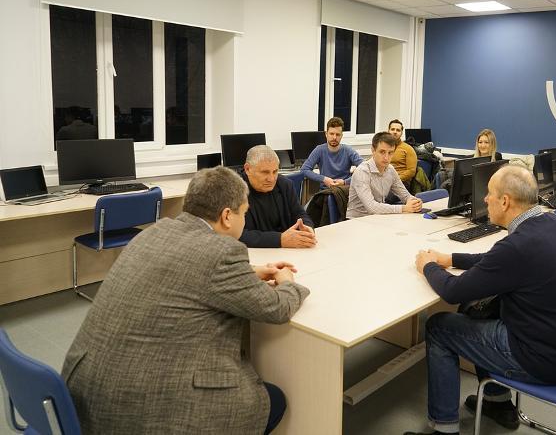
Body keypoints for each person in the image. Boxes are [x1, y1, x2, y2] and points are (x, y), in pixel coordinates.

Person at [61, 166, 310, 435]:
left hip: (82, 395)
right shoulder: (223, 251)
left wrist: (250, 271)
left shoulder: (154, 232)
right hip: (137, 412)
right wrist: (288, 283)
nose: (244, 218)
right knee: (271, 399)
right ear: (227, 216)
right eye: (244, 212)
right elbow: (275, 308)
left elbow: (186, 266)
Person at [405, 166, 556, 435]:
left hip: (545, 362)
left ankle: (444, 429)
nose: (484, 199)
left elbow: (453, 291)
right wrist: (451, 259)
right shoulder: (551, 223)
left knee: (439, 327)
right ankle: (498, 403)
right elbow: (495, 261)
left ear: (505, 201)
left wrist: (428, 266)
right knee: (479, 311)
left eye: (489, 194)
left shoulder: (518, 245)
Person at [239, 145, 316, 248]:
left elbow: (299, 213)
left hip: (287, 252)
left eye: (275, 171)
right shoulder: (233, 191)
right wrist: (279, 239)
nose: (271, 179)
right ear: (247, 169)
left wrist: (307, 228)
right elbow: (235, 234)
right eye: (265, 172)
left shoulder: (285, 184)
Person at [346, 131, 423, 219]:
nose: (386, 157)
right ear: (373, 150)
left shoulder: (390, 169)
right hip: (357, 220)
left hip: (379, 218)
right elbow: (371, 207)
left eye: (390, 153)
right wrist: (404, 208)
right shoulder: (362, 171)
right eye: (382, 152)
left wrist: (414, 202)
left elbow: (405, 195)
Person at [300, 116, 362, 188]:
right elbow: (304, 170)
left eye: (337, 134)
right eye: (331, 134)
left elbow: (365, 169)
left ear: (341, 136)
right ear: (326, 134)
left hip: (344, 189)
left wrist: (345, 182)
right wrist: (324, 179)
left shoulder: (348, 150)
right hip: (326, 191)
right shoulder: (319, 150)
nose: (334, 137)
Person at [388, 119, 418, 186]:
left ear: (401, 133)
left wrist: (395, 180)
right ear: (388, 131)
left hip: (401, 182)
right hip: (383, 179)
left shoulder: (408, 149)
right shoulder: (384, 147)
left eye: (398, 130)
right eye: (392, 129)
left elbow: (411, 171)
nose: (395, 132)